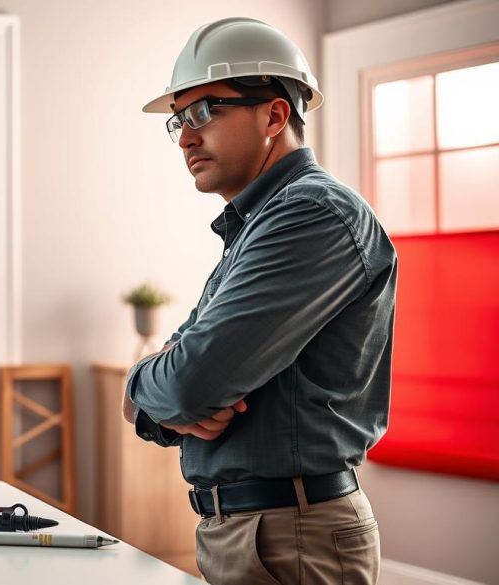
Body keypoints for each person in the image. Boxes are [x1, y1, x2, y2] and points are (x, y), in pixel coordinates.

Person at [122, 17, 397, 585]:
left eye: (204, 112)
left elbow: (190, 381)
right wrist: (165, 390)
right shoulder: (255, 224)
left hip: (292, 533)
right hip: (251, 530)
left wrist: (138, 387)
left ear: (274, 115)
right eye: (178, 120)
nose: (185, 138)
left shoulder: (311, 214)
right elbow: (185, 375)